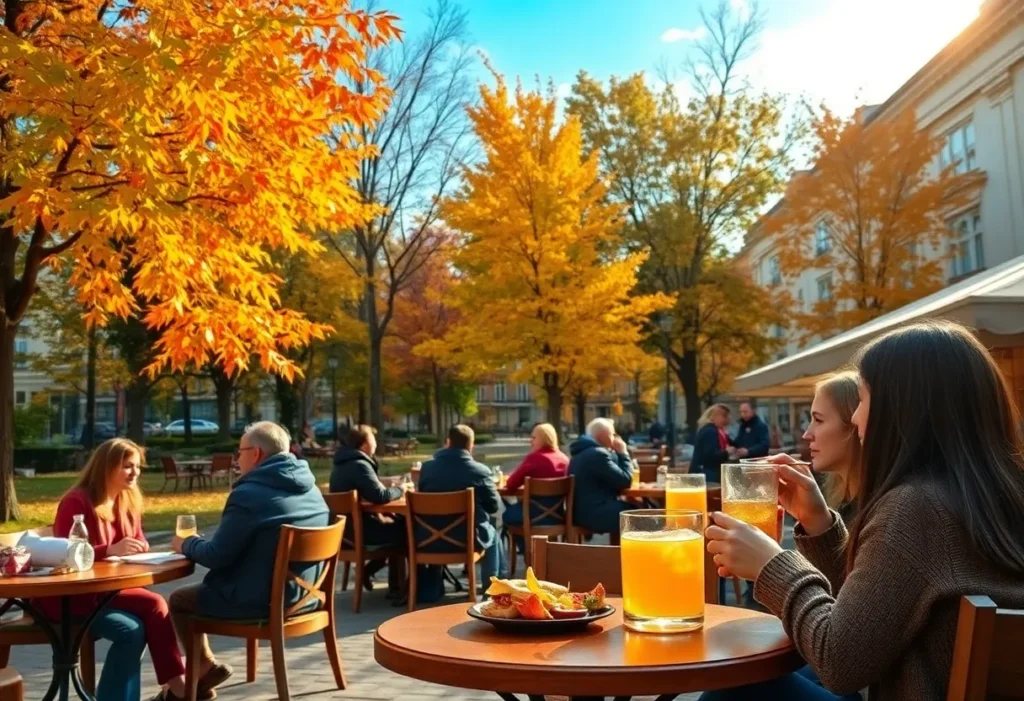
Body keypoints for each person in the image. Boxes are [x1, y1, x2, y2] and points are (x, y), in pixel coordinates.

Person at [702, 321, 1024, 701]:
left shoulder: (917, 507)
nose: (855, 418)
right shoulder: (992, 493)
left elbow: (840, 662)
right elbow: (875, 616)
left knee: (739, 686)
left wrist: (773, 566)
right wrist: (820, 525)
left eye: (865, 398)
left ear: (901, 410)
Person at [170, 421, 329, 699]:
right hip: (307, 597)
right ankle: (199, 677)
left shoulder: (249, 494)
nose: (236, 458)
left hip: (262, 602)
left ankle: (204, 668)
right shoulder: (312, 489)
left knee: (179, 600)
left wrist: (186, 543)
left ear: (255, 454)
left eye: (239, 451)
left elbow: (216, 556)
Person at [38, 438, 193, 701]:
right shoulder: (77, 502)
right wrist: (107, 550)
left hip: (105, 592)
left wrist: (139, 546)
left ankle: (176, 688)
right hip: (70, 598)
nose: (135, 473)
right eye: (127, 466)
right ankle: (179, 687)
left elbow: (135, 540)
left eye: (138, 466)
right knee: (153, 605)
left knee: (133, 630)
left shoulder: (127, 500)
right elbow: (64, 556)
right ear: (106, 467)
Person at [417, 425, 504, 598]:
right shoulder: (479, 471)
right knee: (492, 531)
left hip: (428, 539)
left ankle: (429, 589)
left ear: (448, 442)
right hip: (467, 540)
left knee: (485, 528)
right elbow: (493, 507)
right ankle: (493, 589)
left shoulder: (427, 469)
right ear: (471, 446)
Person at [329, 424, 405, 592]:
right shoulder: (359, 465)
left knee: (398, 526)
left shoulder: (342, 463)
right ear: (364, 445)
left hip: (345, 533)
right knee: (409, 530)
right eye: (373, 440)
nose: (376, 443)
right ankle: (400, 588)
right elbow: (380, 496)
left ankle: (380, 578)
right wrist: (401, 490)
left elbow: (369, 488)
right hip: (361, 533)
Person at [502, 423, 569, 556]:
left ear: (543, 439)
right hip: (559, 516)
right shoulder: (564, 459)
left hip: (533, 517)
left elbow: (511, 484)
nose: (530, 441)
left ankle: (527, 550)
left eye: (533, 438)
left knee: (508, 515)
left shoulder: (535, 458)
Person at [568, 418, 633, 536]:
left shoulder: (582, 451)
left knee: (632, 507)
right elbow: (625, 480)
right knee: (640, 515)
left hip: (582, 512)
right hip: (594, 514)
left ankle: (620, 551)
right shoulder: (597, 454)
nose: (615, 438)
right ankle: (632, 553)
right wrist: (623, 453)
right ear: (602, 436)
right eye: (613, 434)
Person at [690, 404, 731, 483]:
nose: (726, 421)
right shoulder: (710, 431)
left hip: (705, 472)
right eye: (724, 417)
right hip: (707, 474)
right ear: (716, 416)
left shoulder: (711, 429)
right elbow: (710, 455)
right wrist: (727, 452)